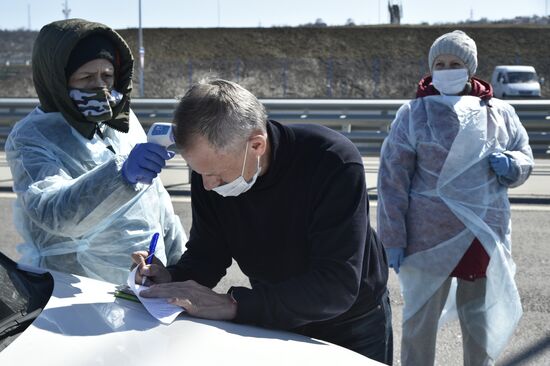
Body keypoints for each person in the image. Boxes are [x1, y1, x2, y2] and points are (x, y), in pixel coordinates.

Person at [131, 79, 392, 363]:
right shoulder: (211, 171)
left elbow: (336, 287)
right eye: (199, 172)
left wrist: (232, 305)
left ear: (256, 144)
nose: (207, 185)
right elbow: (208, 255)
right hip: (276, 316)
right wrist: (171, 276)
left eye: (216, 174)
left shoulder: (332, 162)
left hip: (352, 324)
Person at [377, 30, 534, 366]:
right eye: (440, 63)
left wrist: (513, 166)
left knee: (478, 321)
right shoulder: (414, 114)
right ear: (431, 67)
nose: (446, 69)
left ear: (471, 68)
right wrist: (393, 237)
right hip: (427, 237)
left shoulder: (499, 113)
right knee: (420, 321)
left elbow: (524, 155)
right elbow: (392, 181)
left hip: (480, 233)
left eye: (455, 63)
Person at [5, 18, 185, 284]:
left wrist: (181, 263)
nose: (100, 87)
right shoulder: (32, 136)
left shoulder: (121, 120)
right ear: (58, 80)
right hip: (77, 287)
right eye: (86, 78)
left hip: (147, 281)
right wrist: (119, 175)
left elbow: (156, 202)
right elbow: (53, 213)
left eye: (107, 76)